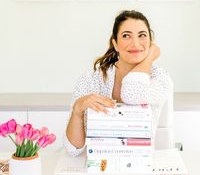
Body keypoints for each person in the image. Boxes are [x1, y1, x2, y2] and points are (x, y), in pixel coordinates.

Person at [64, 10, 173, 156]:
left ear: (150, 42)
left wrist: (150, 56)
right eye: (126, 36)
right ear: (115, 44)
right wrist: (77, 110)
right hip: (98, 166)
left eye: (142, 35)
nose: (135, 43)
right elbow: (73, 150)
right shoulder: (90, 79)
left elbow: (132, 93)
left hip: (139, 166)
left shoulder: (160, 79)